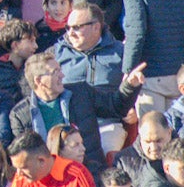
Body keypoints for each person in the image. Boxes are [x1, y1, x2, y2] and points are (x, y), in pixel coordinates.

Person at [10, 51, 143, 173]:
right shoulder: (20, 115)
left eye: (60, 70)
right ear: (39, 81)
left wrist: (130, 86)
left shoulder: (81, 92)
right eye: (55, 72)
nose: (62, 75)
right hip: (48, 178)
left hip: (90, 170)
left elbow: (115, 106)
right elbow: (24, 156)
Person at [123, 0, 184, 113]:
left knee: (153, 137)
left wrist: (128, 69)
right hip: (179, 74)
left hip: (149, 75)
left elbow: (137, 30)